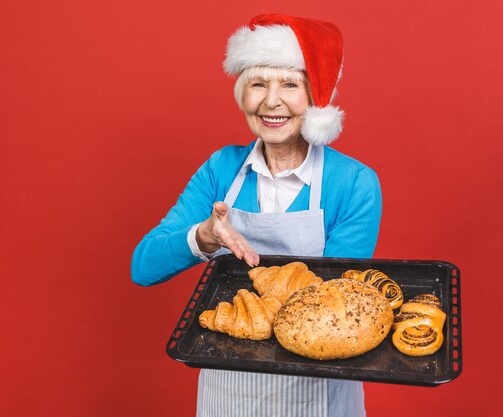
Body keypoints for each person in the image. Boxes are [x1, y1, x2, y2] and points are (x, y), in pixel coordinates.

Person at [131, 13, 382, 417]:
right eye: (258, 83)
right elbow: (142, 267)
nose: (271, 101)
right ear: (242, 93)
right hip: (228, 391)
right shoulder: (220, 170)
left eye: (290, 84)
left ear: (316, 95)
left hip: (316, 389)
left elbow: (334, 306)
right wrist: (204, 237)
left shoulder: (352, 183)